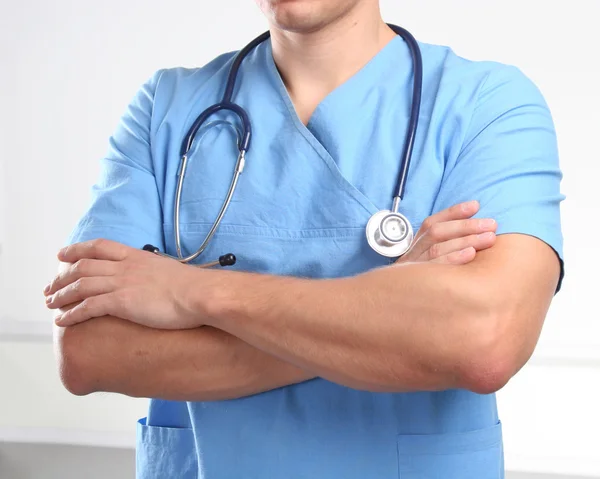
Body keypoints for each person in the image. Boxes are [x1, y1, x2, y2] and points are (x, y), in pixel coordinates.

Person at [44, 0, 564, 477]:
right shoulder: (167, 106)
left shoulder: (488, 105)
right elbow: (89, 350)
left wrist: (193, 293)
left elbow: (484, 342)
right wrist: (388, 322)